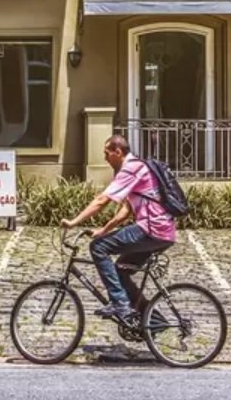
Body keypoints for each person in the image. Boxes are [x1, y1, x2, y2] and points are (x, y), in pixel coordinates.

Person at [60, 134, 176, 321]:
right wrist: (104, 230)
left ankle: (119, 303)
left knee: (98, 247)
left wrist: (74, 221)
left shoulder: (131, 168)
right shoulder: (138, 167)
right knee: (121, 270)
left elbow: (102, 200)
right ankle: (152, 320)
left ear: (118, 152)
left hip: (151, 229)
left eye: (107, 153)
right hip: (163, 232)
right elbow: (126, 210)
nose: (105, 158)